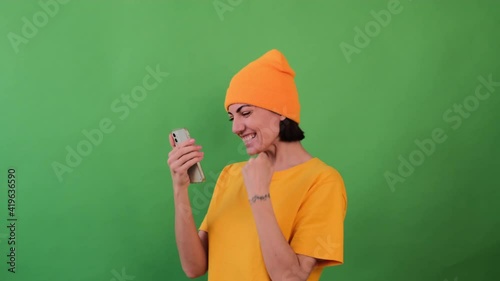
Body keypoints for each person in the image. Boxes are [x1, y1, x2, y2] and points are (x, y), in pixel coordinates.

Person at [167, 49, 347, 281]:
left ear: (281, 110)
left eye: (245, 113)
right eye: (232, 117)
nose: (236, 128)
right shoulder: (231, 175)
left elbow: (290, 278)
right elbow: (194, 267)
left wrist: (259, 195)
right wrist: (179, 189)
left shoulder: (322, 181)